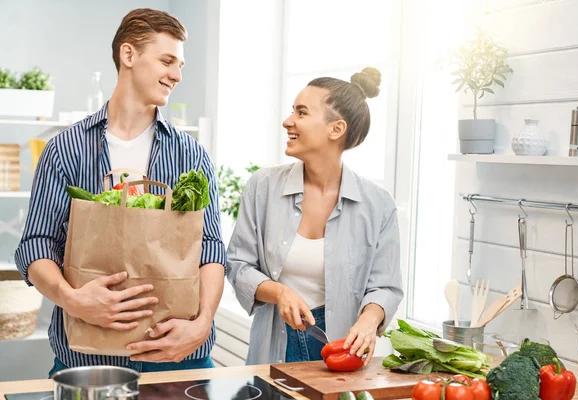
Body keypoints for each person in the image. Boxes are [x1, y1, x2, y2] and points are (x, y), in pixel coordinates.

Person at [14, 8, 226, 376]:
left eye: (180, 65)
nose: (176, 75)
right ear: (128, 55)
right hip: (88, 359)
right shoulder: (65, 149)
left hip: (178, 359)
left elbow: (209, 248)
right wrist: (73, 301)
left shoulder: (191, 155)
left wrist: (203, 322)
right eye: (166, 60)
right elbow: (35, 245)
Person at [226, 67, 403, 365]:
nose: (288, 121)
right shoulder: (263, 187)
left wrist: (369, 320)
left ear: (336, 129)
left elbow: (385, 285)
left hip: (341, 354)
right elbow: (238, 264)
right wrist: (280, 293)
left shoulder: (378, 204)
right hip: (273, 347)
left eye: (301, 112)